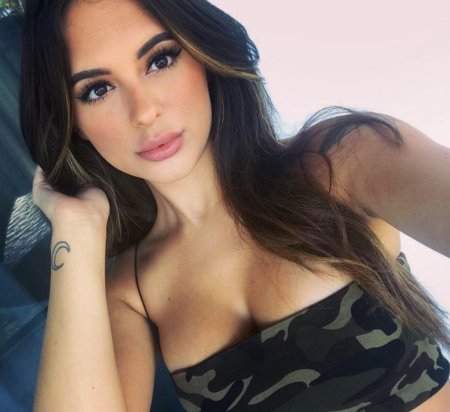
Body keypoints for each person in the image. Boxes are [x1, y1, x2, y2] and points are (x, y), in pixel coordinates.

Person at [21, 0, 450, 410]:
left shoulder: (341, 160)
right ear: (74, 123)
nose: (145, 111)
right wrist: (76, 229)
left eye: (160, 60)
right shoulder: (130, 290)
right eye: (98, 89)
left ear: (203, 54)